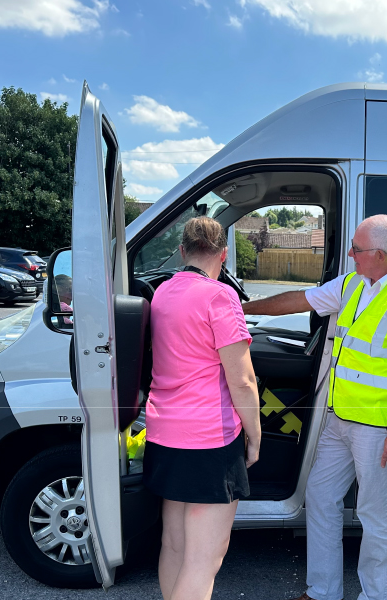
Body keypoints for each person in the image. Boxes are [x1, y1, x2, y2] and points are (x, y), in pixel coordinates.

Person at [242, 214, 387, 600]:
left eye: (357, 249)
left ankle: (373, 596)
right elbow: (298, 299)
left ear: (378, 254)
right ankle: (323, 591)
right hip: (339, 419)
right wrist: (244, 307)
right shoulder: (352, 285)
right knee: (320, 496)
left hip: (377, 427)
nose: (350, 254)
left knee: (375, 516)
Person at [142, 216, 262, 600]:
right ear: (223, 255)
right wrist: (255, 436)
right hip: (209, 442)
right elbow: (242, 379)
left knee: (174, 547)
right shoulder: (220, 296)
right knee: (204, 560)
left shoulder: (162, 292)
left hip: (164, 434)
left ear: (182, 251)